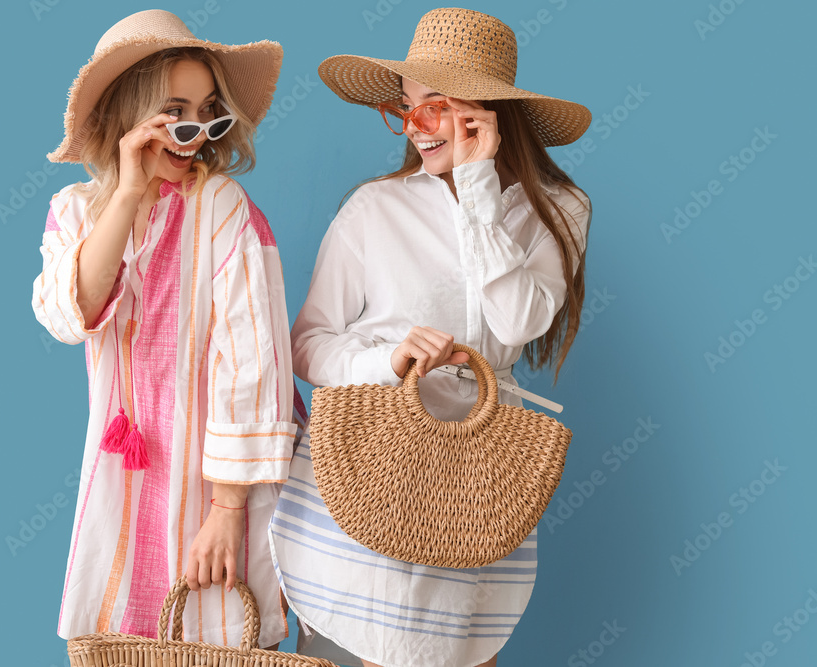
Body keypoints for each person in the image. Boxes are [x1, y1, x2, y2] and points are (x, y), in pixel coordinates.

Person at [268, 8, 593, 667]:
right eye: (407, 110)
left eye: (435, 109)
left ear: (491, 114)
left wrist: (476, 184)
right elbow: (307, 344)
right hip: (367, 461)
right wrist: (385, 360)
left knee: (457, 648)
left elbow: (519, 321)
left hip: (471, 473)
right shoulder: (374, 207)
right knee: (346, 641)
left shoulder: (558, 210)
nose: (415, 128)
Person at [32, 10, 299, 649]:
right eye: (176, 112)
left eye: (210, 114)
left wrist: (227, 512)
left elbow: (253, 364)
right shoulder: (73, 211)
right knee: (117, 639)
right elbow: (72, 314)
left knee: (217, 643)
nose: (195, 133)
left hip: (211, 491)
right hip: (119, 478)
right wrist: (126, 195)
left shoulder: (224, 210)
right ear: (131, 111)